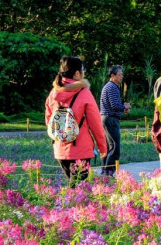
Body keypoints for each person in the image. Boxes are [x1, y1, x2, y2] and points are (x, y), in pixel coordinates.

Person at [45, 56, 107, 185]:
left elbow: (49, 120)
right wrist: (102, 147)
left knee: (73, 186)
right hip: (81, 149)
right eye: (83, 70)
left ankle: (65, 204)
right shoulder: (84, 93)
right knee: (78, 191)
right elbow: (95, 124)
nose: (84, 73)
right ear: (77, 73)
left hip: (60, 149)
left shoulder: (53, 93)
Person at [99, 66, 128, 175]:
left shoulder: (110, 86)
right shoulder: (112, 87)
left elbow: (114, 106)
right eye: (119, 74)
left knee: (108, 146)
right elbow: (115, 105)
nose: (121, 76)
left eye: (122, 74)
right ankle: (108, 173)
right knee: (115, 147)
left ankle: (105, 172)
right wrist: (124, 106)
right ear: (112, 75)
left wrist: (122, 108)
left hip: (107, 118)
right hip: (110, 119)